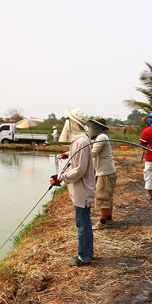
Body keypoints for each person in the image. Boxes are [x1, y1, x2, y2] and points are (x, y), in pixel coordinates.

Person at [50, 109, 96, 267]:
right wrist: (61, 173)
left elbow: (79, 170)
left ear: (74, 123)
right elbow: (74, 161)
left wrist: (61, 177)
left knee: (83, 224)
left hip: (82, 189)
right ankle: (88, 252)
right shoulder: (79, 141)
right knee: (84, 222)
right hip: (80, 189)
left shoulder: (81, 141)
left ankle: (84, 257)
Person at [89, 116, 117, 227]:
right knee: (108, 197)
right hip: (108, 171)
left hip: (105, 173)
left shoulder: (101, 137)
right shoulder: (99, 137)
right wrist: (69, 153)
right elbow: (88, 148)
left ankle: (103, 222)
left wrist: (78, 157)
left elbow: (92, 153)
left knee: (102, 197)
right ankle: (109, 218)